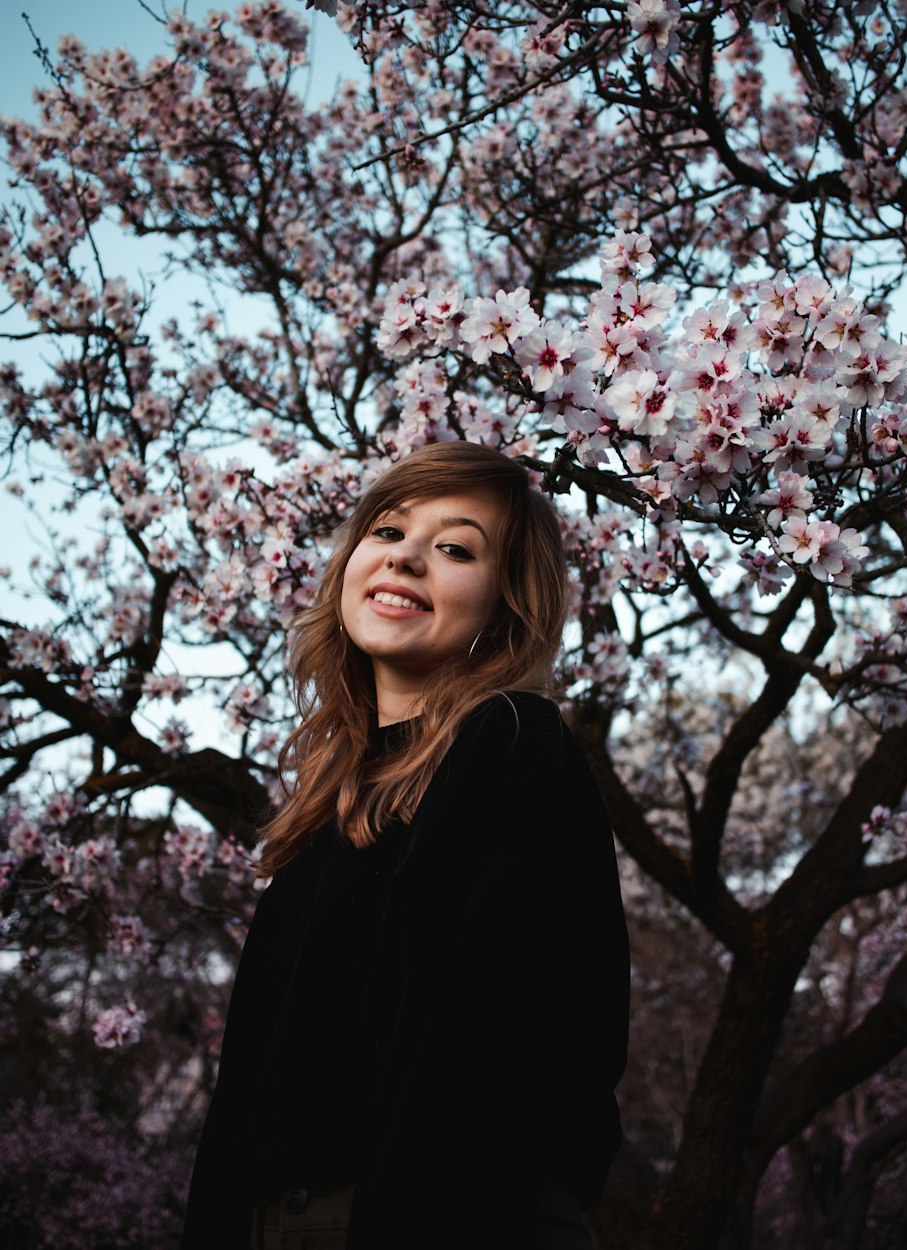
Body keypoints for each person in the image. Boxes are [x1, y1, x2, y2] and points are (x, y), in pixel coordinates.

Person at [181, 440, 630, 1250]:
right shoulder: (331, 800)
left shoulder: (512, 741)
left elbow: (484, 1039)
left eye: (455, 547)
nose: (408, 559)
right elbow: (251, 1080)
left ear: (503, 605)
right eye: (387, 533)